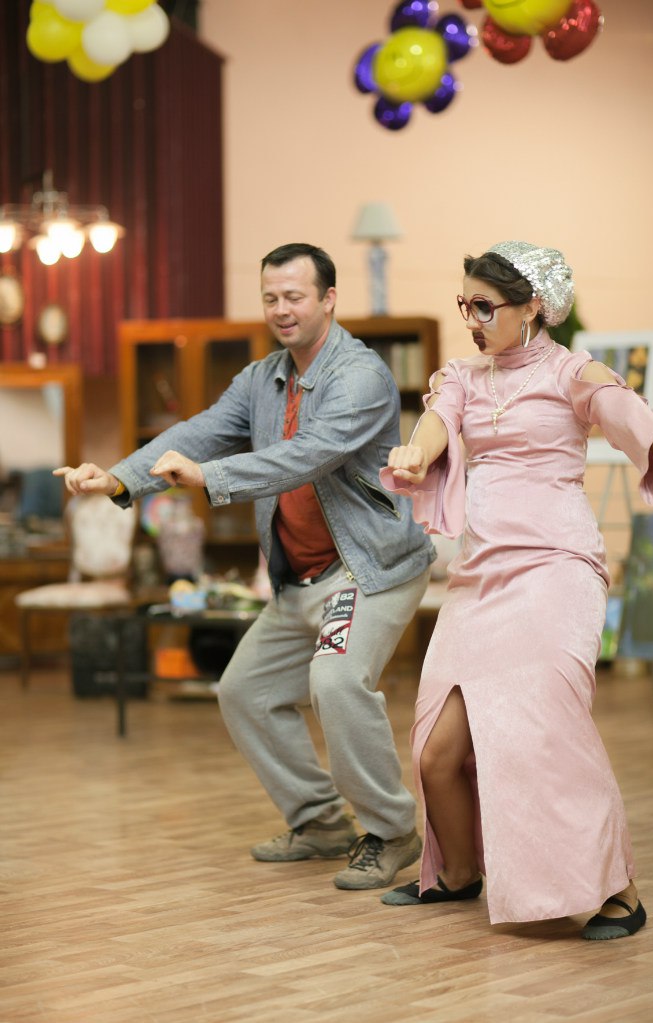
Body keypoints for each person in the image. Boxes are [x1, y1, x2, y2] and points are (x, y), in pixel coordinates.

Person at [55, 242, 435, 891]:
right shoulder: (262, 378)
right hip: (297, 575)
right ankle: (320, 820)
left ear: (328, 299)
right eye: (270, 298)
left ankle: (393, 830)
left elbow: (306, 455)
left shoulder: (361, 376)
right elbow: (198, 432)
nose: (281, 309)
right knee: (244, 692)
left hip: (365, 568)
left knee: (336, 682)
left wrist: (210, 477)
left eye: (295, 296)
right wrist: (118, 477)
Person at [379, 240, 653, 939]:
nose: (471, 320)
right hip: (481, 576)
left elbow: (619, 406)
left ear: (532, 308)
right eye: (464, 305)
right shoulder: (463, 376)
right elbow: (436, 421)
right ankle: (459, 871)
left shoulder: (573, 371)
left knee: (548, 731)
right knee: (436, 751)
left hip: (556, 570)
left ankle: (619, 890)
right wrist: (416, 452)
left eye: (484, 307)